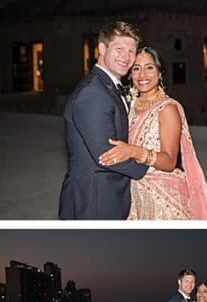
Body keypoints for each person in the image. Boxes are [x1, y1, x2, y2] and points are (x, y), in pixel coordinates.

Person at [97, 46, 207, 220]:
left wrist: (133, 151)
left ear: (160, 72)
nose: (142, 75)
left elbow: (169, 161)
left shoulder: (167, 109)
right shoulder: (130, 106)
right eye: (136, 68)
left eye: (149, 67)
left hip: (165, 201)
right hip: (135, 196)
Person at [59, 20, 150, 219]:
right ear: (102, 47)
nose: (126, 57)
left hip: (106, 195)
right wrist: (150, 170)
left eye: (131, 51)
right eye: (119, 48)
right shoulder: (93, 93)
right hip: (94, 199)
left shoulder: (106, 86)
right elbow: (106, 155)